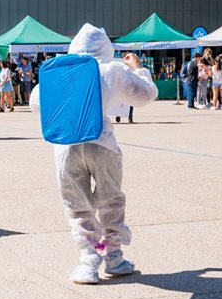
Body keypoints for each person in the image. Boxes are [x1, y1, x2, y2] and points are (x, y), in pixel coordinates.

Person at [33, 24, 158, 284]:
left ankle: (88, 261)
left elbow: (36, 102)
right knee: (111, 200)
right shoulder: (112, 69)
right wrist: (137, 68)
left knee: (77, 205)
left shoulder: (60, 72)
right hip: (102, 142)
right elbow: (146, 95)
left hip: (65, 144)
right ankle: (113, 257)